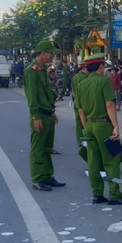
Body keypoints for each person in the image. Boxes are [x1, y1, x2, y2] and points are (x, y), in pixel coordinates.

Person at [75, 53, 122, 205]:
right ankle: (114, 194)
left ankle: (97, 194)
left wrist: (85, 126)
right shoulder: (103, 82)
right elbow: (109, 105)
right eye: (103, 66)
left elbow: (80, 110)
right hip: (103, 125)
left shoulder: (81, 85)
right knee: (112, 159)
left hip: (89, 125)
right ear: (100, 67)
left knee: (93, 161)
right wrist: (115, 126)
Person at [25, 41, 65, 192]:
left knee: (47, 148)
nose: (52, 56)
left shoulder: (42, 70)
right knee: (38, 149)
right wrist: (36, 116)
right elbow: (32, 96)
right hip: (39, 114)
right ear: (42, 52)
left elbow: (47, 93)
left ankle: (48, 176)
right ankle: (37, 179)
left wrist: (52, 111)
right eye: (50, 53)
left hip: (47, 113)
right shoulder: (31, 71)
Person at [70, 56, 90, 162]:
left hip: (76, 102)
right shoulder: (86, 78)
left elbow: (72, 92)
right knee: (86, 123)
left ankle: (80, 141)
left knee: (78, 124)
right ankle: (87, 140)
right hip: (84, 103)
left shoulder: (75, 77)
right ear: (84, 68)